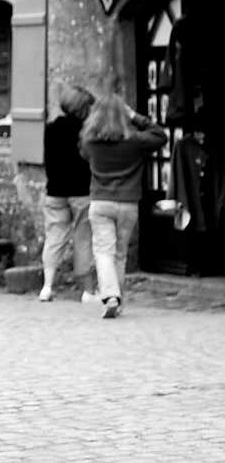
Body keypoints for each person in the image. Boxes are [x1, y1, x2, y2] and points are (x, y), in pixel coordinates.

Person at [80, 93, 167, 319]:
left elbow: (83, 154)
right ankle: (117, 300)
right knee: (120, 254)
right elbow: (160, 135)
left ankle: (110, 296)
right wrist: (135, 116)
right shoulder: (135, 142)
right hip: (128, 202)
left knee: (103, 251)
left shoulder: (90, 142)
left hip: (100, 201)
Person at [38, 84, 97, 302]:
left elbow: (48, 160)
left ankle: (47, 286)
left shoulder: (51, 128)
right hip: (81, 190)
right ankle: (88, 291)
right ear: (82, 108)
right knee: (84, 238)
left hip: (55, 190)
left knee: (54, 237)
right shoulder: (86, 130)